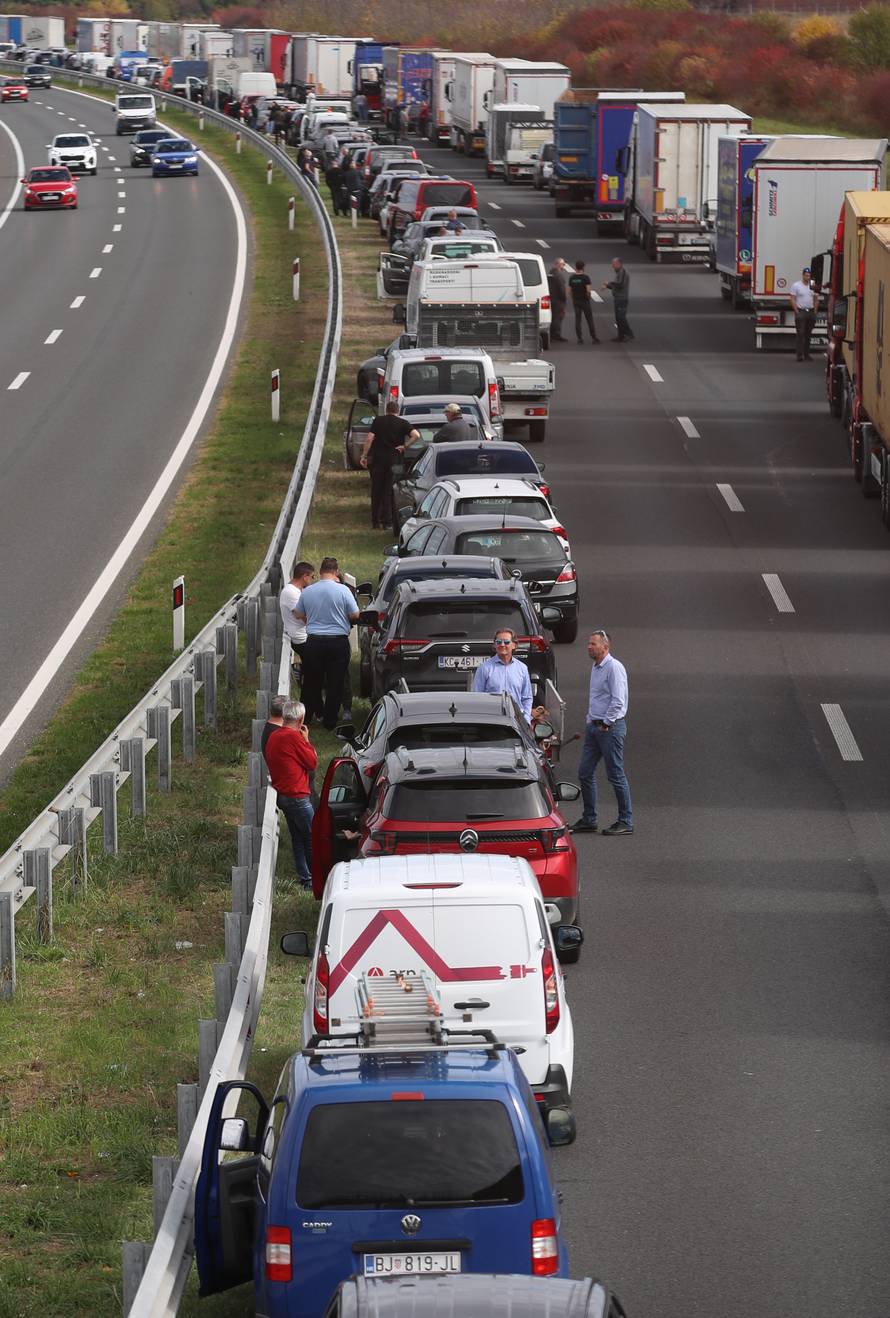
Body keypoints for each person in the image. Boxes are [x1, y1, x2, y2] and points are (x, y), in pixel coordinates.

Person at [573, 630, 633, 836]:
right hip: (594, 727)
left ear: (605, 647)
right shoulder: (596, 666)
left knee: (615, 774)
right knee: (584, 772)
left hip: (610, 728)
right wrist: (591, 719)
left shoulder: (614, 668)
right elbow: (597, 697)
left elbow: (618, 700)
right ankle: (590, 819)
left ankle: (626, 820)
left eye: (593, 644)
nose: (589, 647)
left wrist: (606, 723)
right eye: (589, 644)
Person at [293, 558, 361, 730]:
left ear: (321, 571)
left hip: (314, 641)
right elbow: (355, 615)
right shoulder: (344, 590)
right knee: (335, 681)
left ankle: (306, 719)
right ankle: (330, 721)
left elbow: (298, 613)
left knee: (311, 682)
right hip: (337, 641)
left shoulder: (308, 591)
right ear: (336, 572)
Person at [263, 699, 317, 888]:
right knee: (313, 837)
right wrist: (306, 740)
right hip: (297, 796)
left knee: (298, 837)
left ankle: (306, 878)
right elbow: (312, 762)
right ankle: (317, 880)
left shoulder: (274, 736)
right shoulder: (293, 738)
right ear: (301, 719)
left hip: (283, 795)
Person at [359, 401, 420, 528]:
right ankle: (388, 521)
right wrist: (405, 446)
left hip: (378, 461)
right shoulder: (403, 423)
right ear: (397, 411)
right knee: (390, 490)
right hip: (395, 461)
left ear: (386, 410)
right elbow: (416, 435)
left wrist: (364, 455)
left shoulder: (378, 421)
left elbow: (369, 439)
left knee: (376, 490)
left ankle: (375, 521)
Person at [473, 629, 533, 722]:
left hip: (517, 720)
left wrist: (527, 719)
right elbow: (477, 697)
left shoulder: (522, 668)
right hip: (492, 719)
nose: (502, 645)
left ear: (514, 645)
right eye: (499, 642)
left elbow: (527, 697)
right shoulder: (484, 668)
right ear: (494, 645)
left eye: (506, 642)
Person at [279, 560, 315, 681]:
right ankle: (300, 670)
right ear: (305, 576)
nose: (312, 579)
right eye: (312, 576)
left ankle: (301, 670)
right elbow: (304, 617)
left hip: (305, 635)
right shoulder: (291, 592)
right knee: (316, 669)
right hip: (301, 638)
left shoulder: (298, 590)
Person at [790, 266, 818, 362]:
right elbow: (793, 298)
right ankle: (799, 355)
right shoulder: (796, 285)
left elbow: (816, 299)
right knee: (800, 334)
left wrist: (815, 311)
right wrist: (796, 311)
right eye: (806, 275)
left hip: (810, 311)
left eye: (809, 276)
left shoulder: (813, 285)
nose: (807, 277)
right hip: (801, 311)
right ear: (803, 275)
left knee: (808, 334)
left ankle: (807, 354)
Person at [603, 257, 633, 342]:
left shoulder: (622, 272)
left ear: (619, 264)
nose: (612, 266)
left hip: (622, 298)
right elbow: (616, 286)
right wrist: (608, 286)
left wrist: (609, 283)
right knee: (618, 318)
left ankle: (629, 333)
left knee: (621, 317)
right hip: (618, 298)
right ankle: (620, 335)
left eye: (614, 264)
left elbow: (620, 284)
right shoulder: (619, 272)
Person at [568, 259, 599, 344]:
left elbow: (569, 291)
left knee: (578, 320)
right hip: (585, 301)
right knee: (589, 319)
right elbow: (588, 290)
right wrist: (588, 297)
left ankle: (579, 338)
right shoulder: (585, 278)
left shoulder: (572, 278)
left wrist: (573, 298)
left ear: (576, 267)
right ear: (583, 267)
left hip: (576, 301)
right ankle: (594, 338)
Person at [547, 258, 568, 342]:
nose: (564, 266)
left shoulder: (550, 273)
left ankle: (551, 334)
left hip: (551, 298)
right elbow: (561, 288)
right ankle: (556, 335)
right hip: (558, 300)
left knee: (552, 317)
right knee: (558, 317)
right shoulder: (559, 275)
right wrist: (564, 298)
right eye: (563, 264)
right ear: (558, 264)